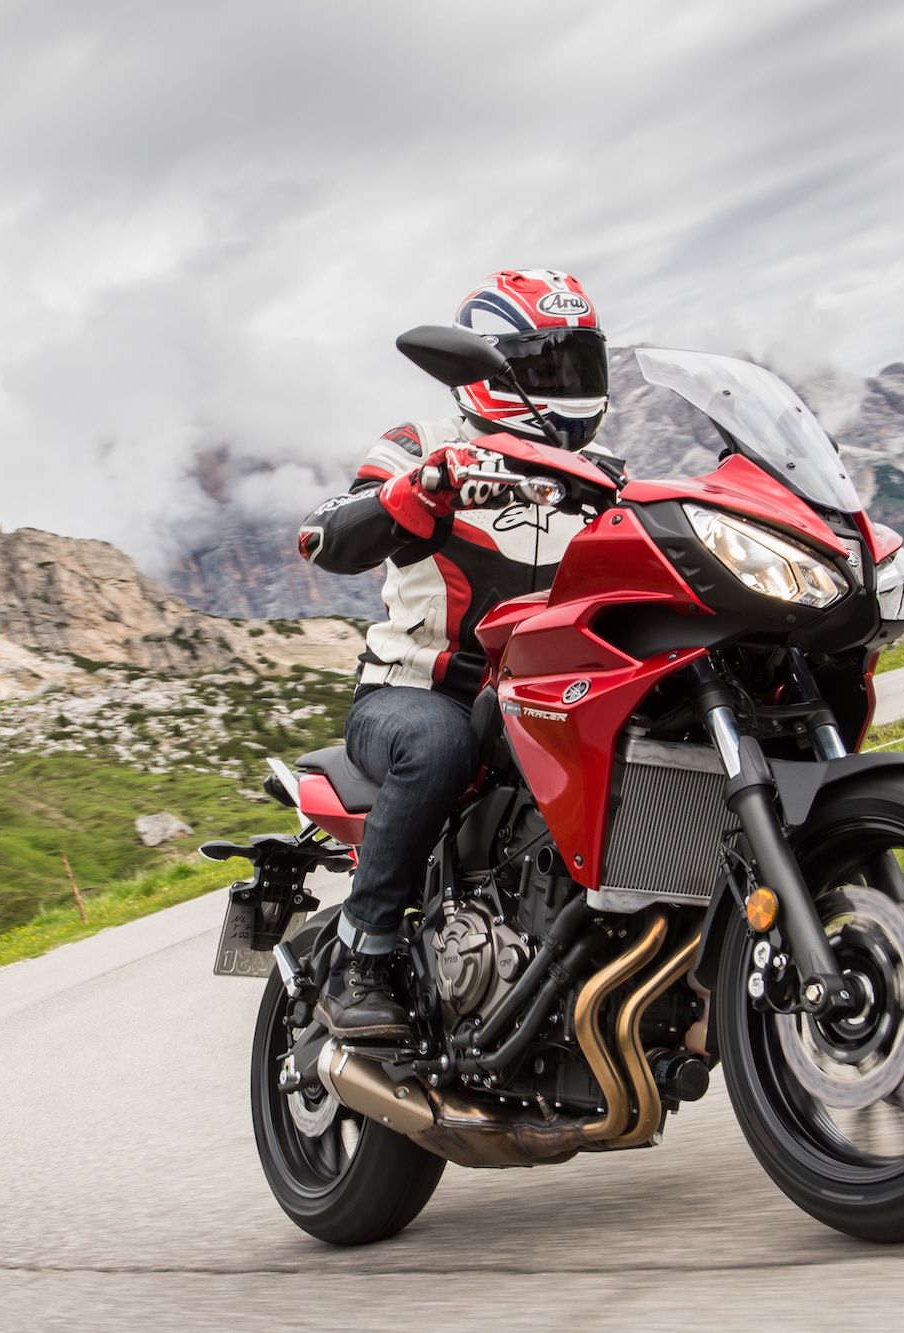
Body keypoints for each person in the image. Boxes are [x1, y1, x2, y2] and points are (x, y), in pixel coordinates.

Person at [295, 269, 613, 1040]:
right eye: (546, 368)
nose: (566, 384)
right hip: (414, 695)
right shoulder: (425, 446)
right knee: (440, 744)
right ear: (490, 374)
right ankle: (360, 960)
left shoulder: (606, 476)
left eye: (579, 366)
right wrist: (420, 489)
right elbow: (325, 535)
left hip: (542, 699)